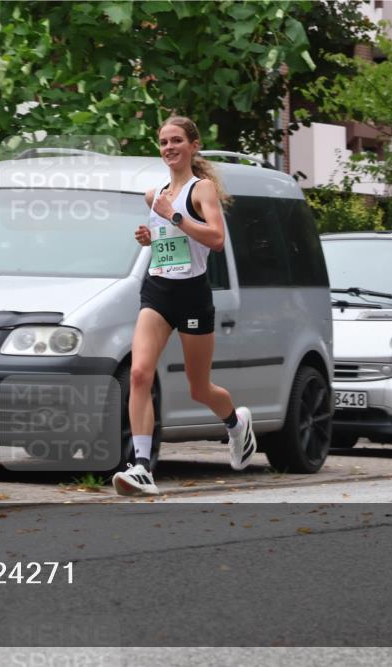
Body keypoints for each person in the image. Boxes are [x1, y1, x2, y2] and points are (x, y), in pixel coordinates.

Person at [112, 116, 257, 496]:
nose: (169, 147)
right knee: (140, 374)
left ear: (193, 145)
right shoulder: (153, 194)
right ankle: (142, 466)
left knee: (198, 387)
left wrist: (172, 215)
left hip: (192, 294)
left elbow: (217, 239)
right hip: (158, 291)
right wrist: (149, 236)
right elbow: (165, 238)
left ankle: (236, 424)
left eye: (176, 140)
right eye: (162, 142)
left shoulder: (201, 189)